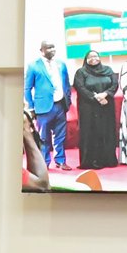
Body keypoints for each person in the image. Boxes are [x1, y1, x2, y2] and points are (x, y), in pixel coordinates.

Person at [24, 40, 72, 170]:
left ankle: (60, 161)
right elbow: (27, 88)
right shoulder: (33, 65)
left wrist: (68, 100)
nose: (52, 50)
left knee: (60, 136)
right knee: (43, 137)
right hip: (43, 107)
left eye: (53, 47)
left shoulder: (61, 64)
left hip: (60, 105)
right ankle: (44, 163)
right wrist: (31, 107)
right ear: (42, 50)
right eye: (48, 48)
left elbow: (66, 83)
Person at [72, 50, 118, 170]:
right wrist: (96, 97)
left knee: (106, 131)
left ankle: (108, 160)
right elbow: (80, 87)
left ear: (99, 58)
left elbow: (114, 85)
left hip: (106, 106)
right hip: (89, 108)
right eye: (90, 57)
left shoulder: (108, 70)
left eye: (96, 56)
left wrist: (106, 94)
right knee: (90, 133)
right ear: (86, 59)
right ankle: (91, 161)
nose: (93, 58)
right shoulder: (81, 72)